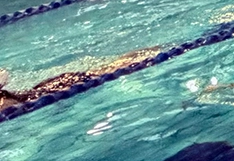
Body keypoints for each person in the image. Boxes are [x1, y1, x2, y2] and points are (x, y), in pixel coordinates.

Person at [1, 46, 163, 110]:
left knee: (112, 69)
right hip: (46, 89)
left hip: (57, 87)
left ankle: (150, 52)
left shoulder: (5, 101)